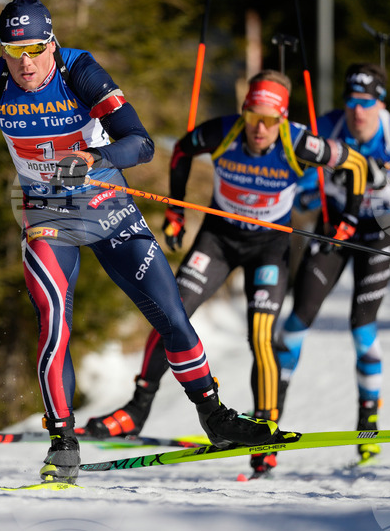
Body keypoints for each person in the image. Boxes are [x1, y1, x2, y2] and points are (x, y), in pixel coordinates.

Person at [0, 0, 285, 485]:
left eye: (35, 49)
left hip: (106, 205)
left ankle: (214, 416)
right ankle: (63, 441)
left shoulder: (80, 71)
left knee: (172, 313)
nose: (24, 62)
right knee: (55, 318)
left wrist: (90, 155)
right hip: (45, 214)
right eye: (12, 50)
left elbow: (141, 142)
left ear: (52, 42)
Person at [85, 69, 371, 478]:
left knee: (260, 336)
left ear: (283, 119)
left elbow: (357, 164)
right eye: (253, 117)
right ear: (244, 112)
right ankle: (138, 407)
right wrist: (176, 211)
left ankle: (265, 430)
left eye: (270, 121)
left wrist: (349, 219)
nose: (259, 129)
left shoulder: (300, 141)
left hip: (268, 248)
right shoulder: (224, 131)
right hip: (218, 240)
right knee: (171, 314)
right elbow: (182, 149)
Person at [274, 62, 390, 464]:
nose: (358, 111)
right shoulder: (329, 127)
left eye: (367, 102)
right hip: (335, 229)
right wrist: (307, 194)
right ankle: (268, 418)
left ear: (380, 103)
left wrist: (384, 186)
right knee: (297, 319)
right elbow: (303, 187)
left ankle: (367, 429)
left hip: (378, 234)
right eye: (352, 102)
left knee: (362, 327)